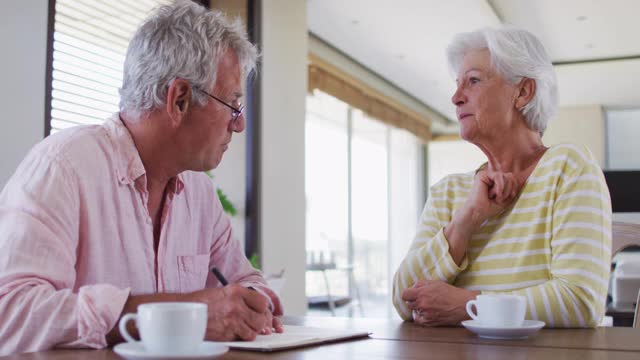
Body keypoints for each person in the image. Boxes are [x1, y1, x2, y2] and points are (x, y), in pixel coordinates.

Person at [0, 1, 282, 355]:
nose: (239, 124)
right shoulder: (62, 167)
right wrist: (172, 315)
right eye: (233, 105)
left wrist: (252, 303)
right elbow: (10, 314)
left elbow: (244, 281)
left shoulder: (199, 192)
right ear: (179, 99)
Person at [392, 26, 611, 328]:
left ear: (523, 92)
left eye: (473, 81)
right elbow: (404, 299)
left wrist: (468, 305)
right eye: (457, 84)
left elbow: (580, 301)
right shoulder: (448, 192)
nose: (456, 97)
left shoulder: (568, 168)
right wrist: (468, 218)